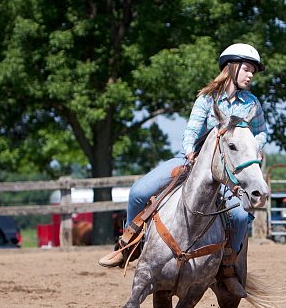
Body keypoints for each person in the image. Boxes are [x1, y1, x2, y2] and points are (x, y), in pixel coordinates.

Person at [98, 43, 268, 295]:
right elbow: (191, 130)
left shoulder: (252, 104)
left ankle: (228, 268)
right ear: (231, 68)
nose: (251, 74)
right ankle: (127, 247)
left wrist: (255, 148)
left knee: (241, 217)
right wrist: (189, 151)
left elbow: (261, 132)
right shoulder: (207, 99)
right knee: (138, 191)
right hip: (193, 160)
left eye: (253, 70)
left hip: (228, 167)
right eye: (246, 69)